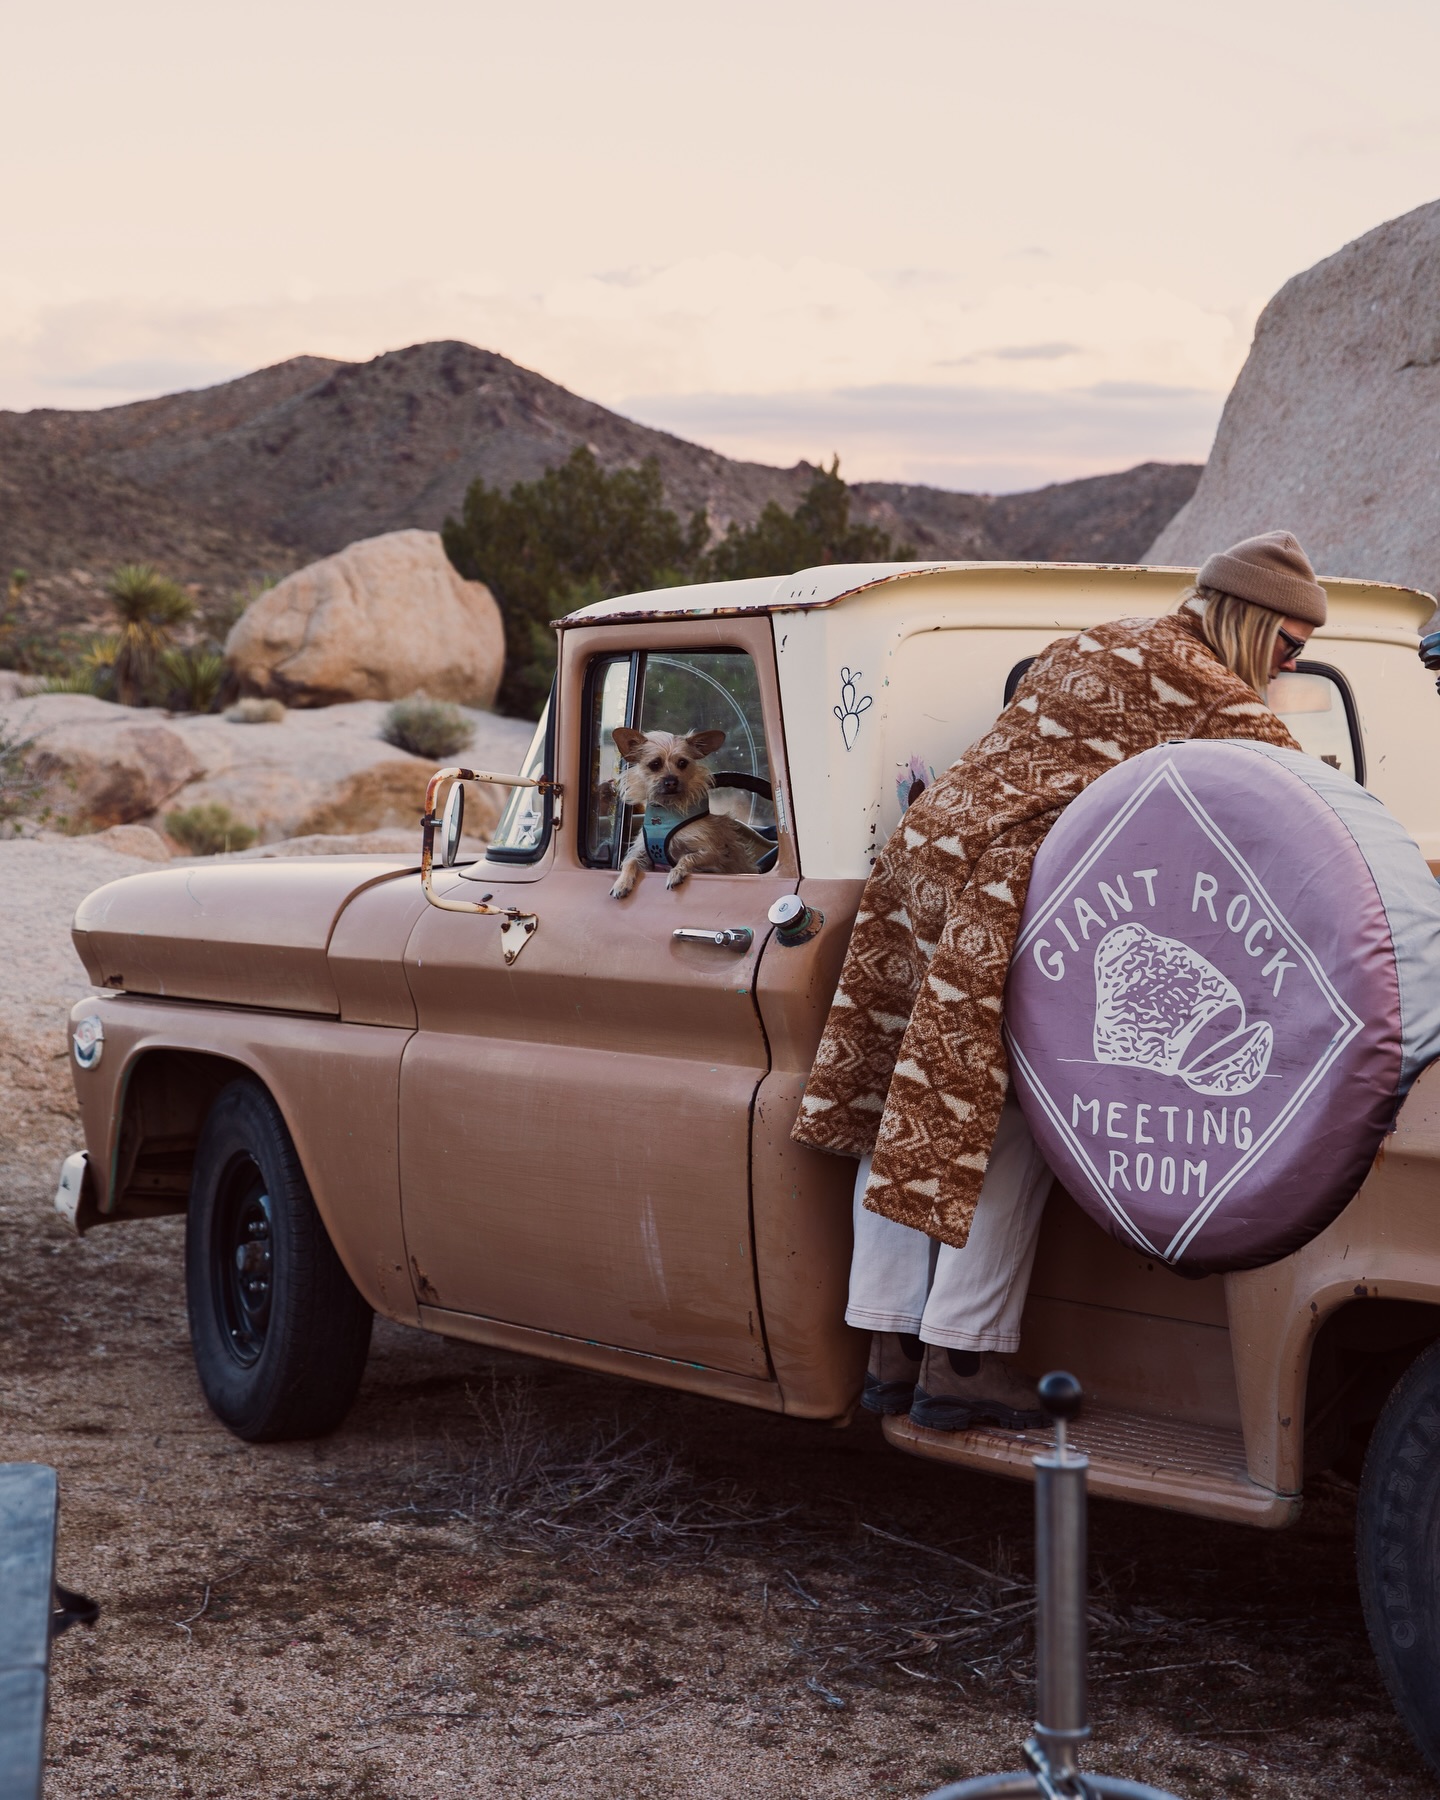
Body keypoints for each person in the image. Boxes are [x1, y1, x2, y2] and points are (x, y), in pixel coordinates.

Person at [792, 531, 1326, 1431]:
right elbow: (1306, 803)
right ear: (1254, 620)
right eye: (1291, 646)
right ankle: (961, 1362)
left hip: (920, 863)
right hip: (991, 885)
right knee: (1005, 1122)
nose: (1291, 663)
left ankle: (888, 1347)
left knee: (905, 1102)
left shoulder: (1100, 637)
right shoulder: (1205, 684)